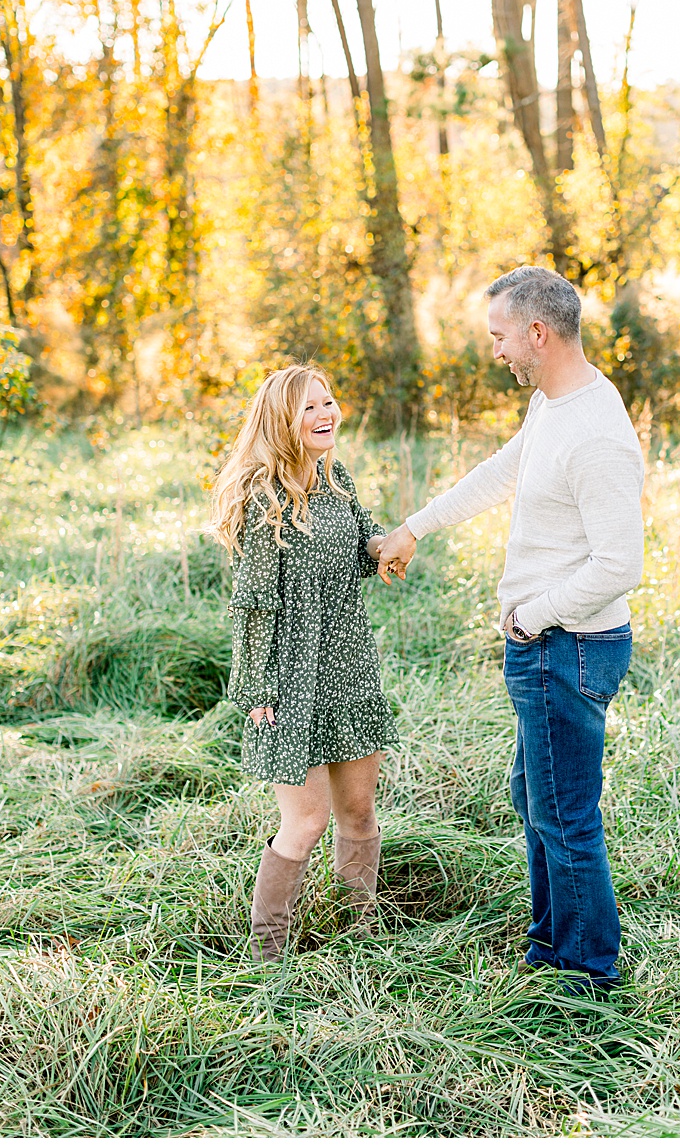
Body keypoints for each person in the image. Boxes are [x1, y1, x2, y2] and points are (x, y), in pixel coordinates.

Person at [377, 265, 644, 990]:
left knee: (565, 815)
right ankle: (550, 943)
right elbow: (505, 472)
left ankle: (587, 973)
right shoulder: (555, 406)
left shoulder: (597, 434)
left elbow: (620, 565)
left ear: (537, 333)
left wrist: (530, 617)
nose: (495, 351)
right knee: (537, 797)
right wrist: (415, 527)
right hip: (547, 643)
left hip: (567, 646)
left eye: (500, 337)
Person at [208, 364, 408, 961]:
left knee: (359, 812)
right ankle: (268, 955)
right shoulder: (261, 497)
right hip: (290, 680)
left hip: (348, 669)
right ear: (282, 423)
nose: (326, 415)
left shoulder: (336, 479)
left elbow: (360, 540)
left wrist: (385, 546)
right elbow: (252, 607)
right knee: (306, 822)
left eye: (328, 402)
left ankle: (361, 938)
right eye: (309, 408)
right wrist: (256, 691)